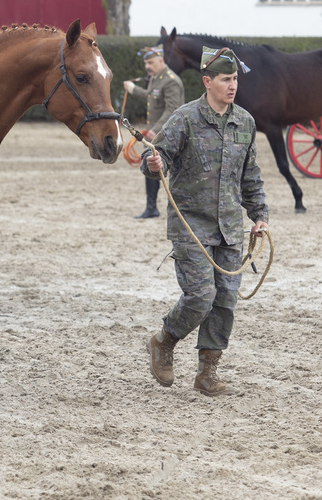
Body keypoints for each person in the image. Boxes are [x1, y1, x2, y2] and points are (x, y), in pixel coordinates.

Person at [140, 45, 269, 396]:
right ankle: (164, 341)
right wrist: (154, 165)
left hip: (229, 227)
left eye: (236, 79)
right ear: (207, 81)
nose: (233, 86)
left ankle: (207, 374)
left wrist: (259, 216)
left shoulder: (245, 122)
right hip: (190, 226)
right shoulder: (184, 118)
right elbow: (156, 159)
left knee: (225, 301)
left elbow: (250, 176)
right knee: (200, 296)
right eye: (226, 79)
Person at [123, 46, 185, 219]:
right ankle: (151, 208)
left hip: (171, 133)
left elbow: (172, 109)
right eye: (145, 63)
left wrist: (155, 130)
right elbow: (151, 97)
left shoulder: (171, 80)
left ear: (160, 60)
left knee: (175, 171)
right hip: (158, 133)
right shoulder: (155, 78)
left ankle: (177, 209)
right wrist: (133, 89)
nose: (147, 67)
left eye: (150, 62)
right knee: (150, 164)